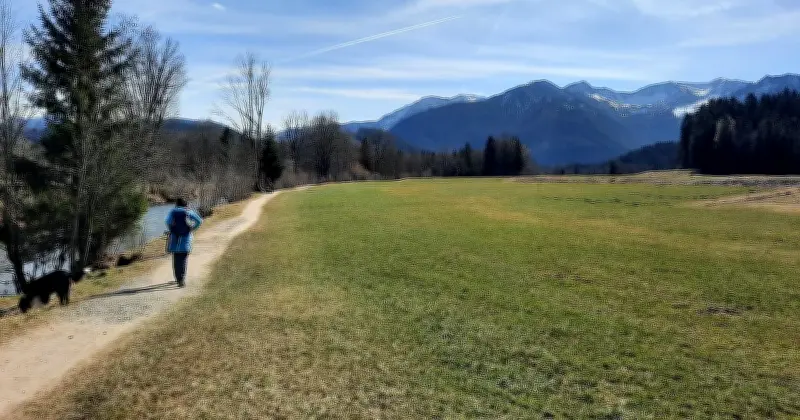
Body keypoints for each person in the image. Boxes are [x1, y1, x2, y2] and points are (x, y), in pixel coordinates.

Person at [165, 198, 203, 287]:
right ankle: (181, 280)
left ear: (177, 204)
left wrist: (172, 229)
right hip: (185, 239)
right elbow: (199, 221)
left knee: (176, 260)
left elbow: (167, 221)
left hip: (174, 239)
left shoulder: (173, 211)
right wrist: (192, 228)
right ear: (185, 204)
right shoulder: (188, 212)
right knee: (183, 260)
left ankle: (178, 278)